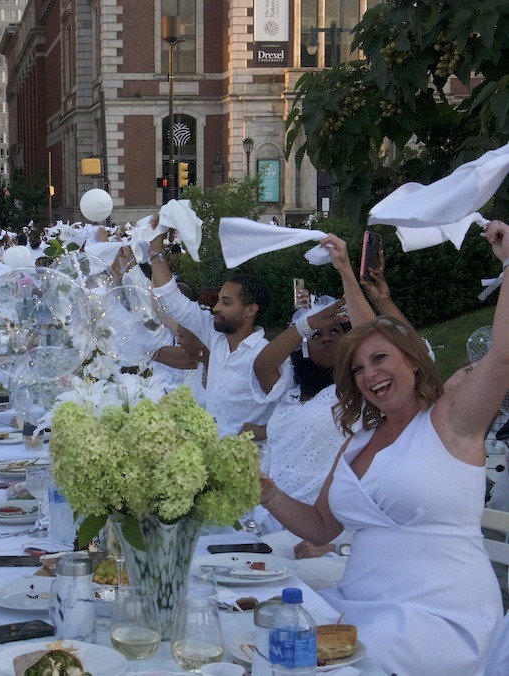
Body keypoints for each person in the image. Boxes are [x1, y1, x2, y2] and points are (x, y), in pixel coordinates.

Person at [259, 221, 509, 674]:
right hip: (359, 606)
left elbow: (503, 355)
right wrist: (267, 492)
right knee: (263, 634)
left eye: (380, 359)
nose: (369, 374)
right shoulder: (357, 444)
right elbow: (319, 528)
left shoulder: (452, 421)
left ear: (413, 361)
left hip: (439, 618)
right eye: (357, 369)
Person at [250, 235, 375, 538]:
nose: (328, 337)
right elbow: (262, 366)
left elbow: (376, 338)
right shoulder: (292, 387)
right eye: (319, 335)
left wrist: (346, 271)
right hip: (272, 518)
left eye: (337, 331)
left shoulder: (359, 387)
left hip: (323, 527)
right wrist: (307, 324)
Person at [149, 231, 276, 437]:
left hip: (250, 460)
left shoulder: (267, 356)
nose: (216, 307)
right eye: (218, 300)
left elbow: (292, 411)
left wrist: (263, 431)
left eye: (226, 302)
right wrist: (156, 248)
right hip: (208, 450)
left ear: (250, 310)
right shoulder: (213, 335)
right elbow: (170, 299)